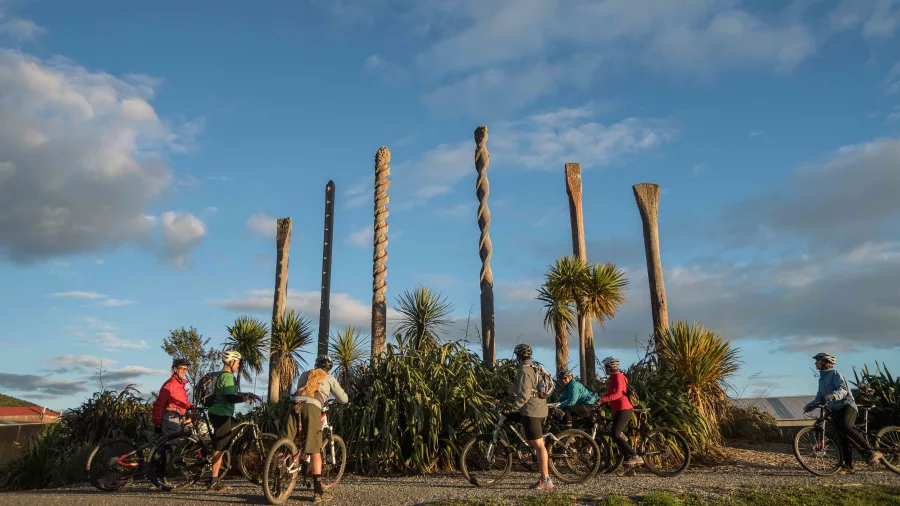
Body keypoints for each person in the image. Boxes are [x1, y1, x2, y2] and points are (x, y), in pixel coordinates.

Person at [803, 352, 883, 472]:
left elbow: (843, 389)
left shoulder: (835, 374)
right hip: (835, 409)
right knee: (842, 437)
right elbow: (819, 397)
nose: (815, 363)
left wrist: (834, 396)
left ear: (825, 362)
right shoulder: (821, 380)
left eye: (818, 361)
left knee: (845, 426)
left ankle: (871, 451)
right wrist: (810, 406)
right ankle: (848, 465)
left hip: (846, 406)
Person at [287, 355, 349, 503]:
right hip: (312, 406)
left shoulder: (305, 374)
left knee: (287, 441)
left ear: (316, 365)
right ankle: (318, 492)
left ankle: (274, 471)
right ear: (329, 368)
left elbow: (299, 389)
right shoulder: (329, 378)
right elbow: (344, 399)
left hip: (295, 404)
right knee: (315, 449)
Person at [206, 350, 261, 491]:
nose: (239, 365)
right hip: (221, 413)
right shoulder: (228, 376)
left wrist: (247, 394)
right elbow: (230, 397)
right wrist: (244, 399)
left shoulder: (223, 376)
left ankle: (215, 473)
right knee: (220, 446)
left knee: (223, 442)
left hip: (218, 412)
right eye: (237, 363)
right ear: (230, 362)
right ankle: (213, 481)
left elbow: (230, 393)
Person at [503, 344, 553, 490]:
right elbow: (522, 388)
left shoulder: (524, 371)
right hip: (538, 408)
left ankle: (546, 480)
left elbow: (524, 395)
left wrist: (512, 407)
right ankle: (537, 459)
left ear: (518, 356)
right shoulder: (534, 368)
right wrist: (505, 393)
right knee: (527, 435)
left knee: (539, 445)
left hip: (532, 411)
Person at [150, 358, 193, 477]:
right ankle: (160, 475)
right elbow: (159, 403)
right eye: (182, 368)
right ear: (175, 369)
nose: (185, 371)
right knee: (170, 445)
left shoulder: (179, 385)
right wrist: (157, 422)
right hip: (170, 417)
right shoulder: (170, 385)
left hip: (177, 417)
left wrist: (190, 406)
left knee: (169, 445)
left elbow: (179, 401)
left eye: (186, 369)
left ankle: (159, 474)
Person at [599, 356, 642, 466]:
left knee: (616, 434)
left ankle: (635, 456)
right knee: (617, 435)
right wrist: (600, 404)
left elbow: (618, 394)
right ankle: (629, 465)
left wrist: (604, 399)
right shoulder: (612, 378)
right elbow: (608, 395)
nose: (605, 369)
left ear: (611, 367)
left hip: (624, 408)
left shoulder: (618, 376)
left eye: (606, 367)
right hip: (618, 409)